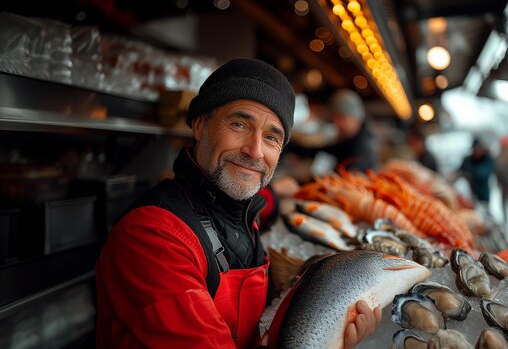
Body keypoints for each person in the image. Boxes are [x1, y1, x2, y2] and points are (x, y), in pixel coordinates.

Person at [95, 59, 380, 349]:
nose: (255, 150)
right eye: (239, 124)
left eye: (271, 137)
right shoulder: (152, 237)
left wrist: (329, 329)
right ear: (200, 125)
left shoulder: (243, 213)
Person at [285, 88, 379, 172]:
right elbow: (321, 151)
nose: (336, 123)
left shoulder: (362, 147)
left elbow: (344, 179)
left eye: (341, 117)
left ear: (355, 117)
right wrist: (289, 145)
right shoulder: (351, 138)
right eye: (335, 118)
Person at [454, 138, 496, 212]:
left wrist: (469, 173)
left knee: (484, 211)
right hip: (469, 195)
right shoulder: (468, 160)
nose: (477, 151)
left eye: (479, 149)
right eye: (475, 149)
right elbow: (460, 170)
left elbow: (483, 174)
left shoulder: (487, 159)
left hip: (483, 194)